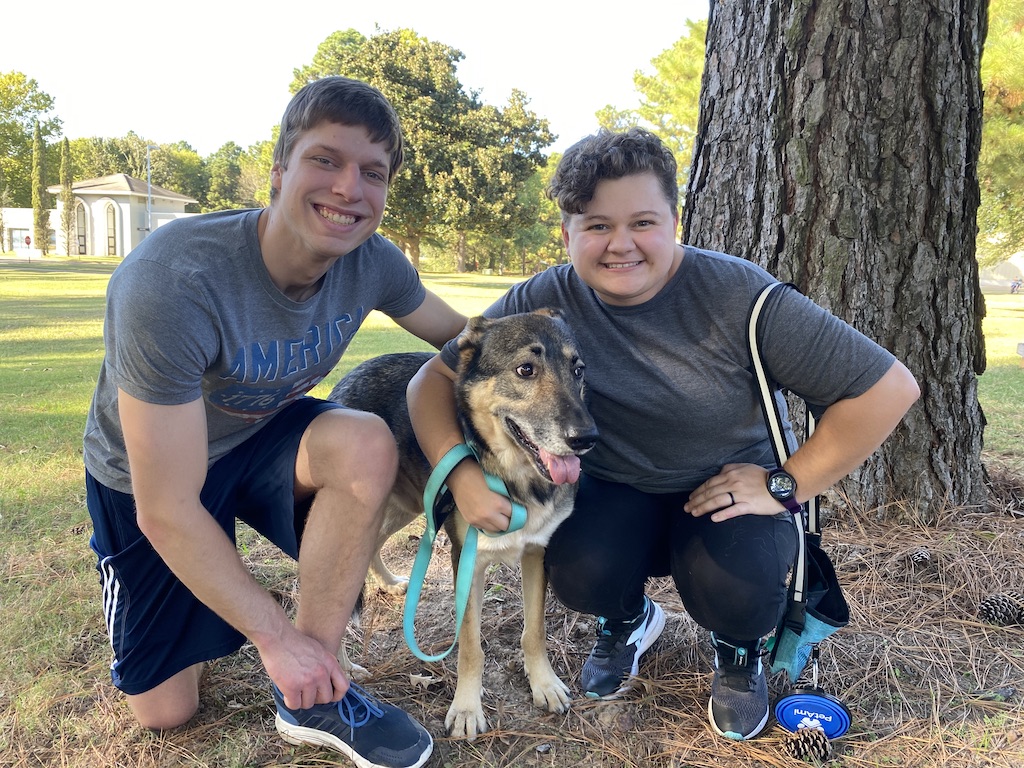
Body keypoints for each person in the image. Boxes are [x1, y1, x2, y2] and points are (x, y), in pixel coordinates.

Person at [407, 128, 920, 742]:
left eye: (642, 221)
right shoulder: (545, 299)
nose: (620, 244)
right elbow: (431, 384)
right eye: (596, 225)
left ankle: (737, 649)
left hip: (725, 495)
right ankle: (628, 620)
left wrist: (786, 484)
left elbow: (889, 389)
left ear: (675, 220)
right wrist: (460, 475)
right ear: (567, 233)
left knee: (737, 587)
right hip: (617, 490)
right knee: (576, 568)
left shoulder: (740, 296)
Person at [83, 76, 468, 768]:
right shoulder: (171, 281)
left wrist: (566, 341)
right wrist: (271, 635)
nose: (350, 188)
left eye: (372, 173)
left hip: (260, 440)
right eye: (326, 160)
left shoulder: (374, 264)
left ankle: (314, 692)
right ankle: (195, 611)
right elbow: (165, 507)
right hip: (152, 480)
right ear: (279, 170)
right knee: (168, 713)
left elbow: (469, 344)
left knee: (363, 441)